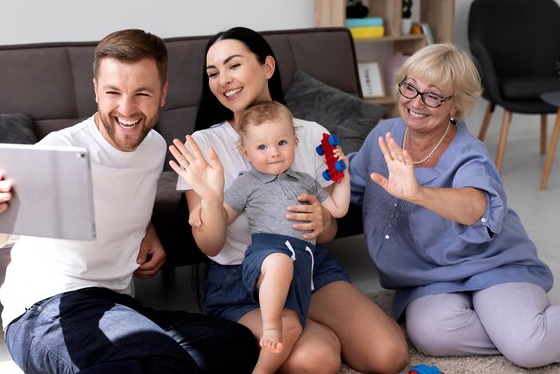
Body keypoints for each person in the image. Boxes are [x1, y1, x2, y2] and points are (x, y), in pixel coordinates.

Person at [0, 29, 259, 374]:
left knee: (234, 342)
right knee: (155, 358)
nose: (127, 109)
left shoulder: (155, 147)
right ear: (96, 91)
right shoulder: (60, 151)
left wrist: (147, 230)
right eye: (113, 92)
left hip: (118, 304)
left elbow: (121, 190)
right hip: (45, 309)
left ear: (163, 94)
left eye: (142, 93)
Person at [175, 26, 409, 374]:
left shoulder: (314, 136)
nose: (223, 79)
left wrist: (322, 220)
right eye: (213, 72)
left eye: (233, 65)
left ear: (267, 66)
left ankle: (317, 322)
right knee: (317, 362)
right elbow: (210, 245)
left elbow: (327, 232)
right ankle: (312, 332)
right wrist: (210, 198)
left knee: (389, 356)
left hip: (308, 265)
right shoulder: (204, 146)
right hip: (241, 279)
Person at [347, 43, 560, 369]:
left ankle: (524, 333)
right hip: (430, 278)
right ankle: (513, 327)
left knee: (529, 348)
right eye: (410, 87)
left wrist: (419, 193)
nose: (416, 102)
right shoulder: (384, 136)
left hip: (492, 266)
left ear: (456, 107)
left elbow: (478, 205)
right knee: (430, 334)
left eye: (433, 96)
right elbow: (352, 183)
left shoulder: (467, 152)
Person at [170, 101, 350, 373]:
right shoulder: (248, 182)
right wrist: (207, 204)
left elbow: (338, 209)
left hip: (302, 265)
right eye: (262, 147)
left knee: (292, 323)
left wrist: (343, 175)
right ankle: (269, 325)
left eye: (281, 143)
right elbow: (223, 216)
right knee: (279, 264)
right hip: (265, 253)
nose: (274, 153)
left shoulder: (306, 181)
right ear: (246, 152)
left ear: (295, 141)